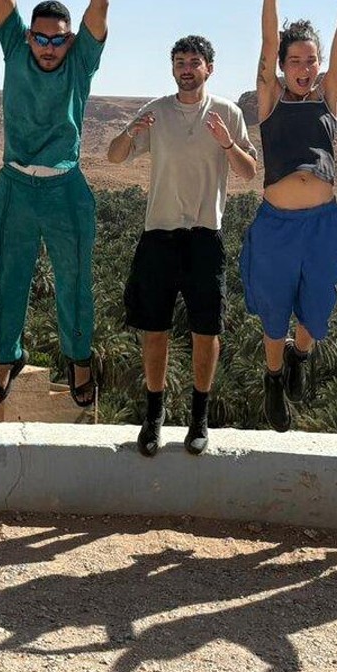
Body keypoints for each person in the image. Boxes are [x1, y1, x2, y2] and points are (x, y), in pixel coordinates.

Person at [241, 0, 337, 431]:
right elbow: (264, 40)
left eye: (310, 61)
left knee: (315, 310)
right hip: (277, 225)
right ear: (282, 68)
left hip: (323, 224)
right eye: (294, 61)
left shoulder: (329, 98)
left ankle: (300, 357)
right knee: (275, 309)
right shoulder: (269, 101)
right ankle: (274, 377)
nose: (304, 68)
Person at [0, 0, 108, 408]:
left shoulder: (81, 62)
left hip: (66, 189)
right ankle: (7, 355)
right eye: (43, 37)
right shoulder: (14, 46)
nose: (50, 46)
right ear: (29, 35)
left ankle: (78, 358)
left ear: (71, 41)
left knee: (74, 281)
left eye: (59, 38)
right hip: (14, 183)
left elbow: (100, 4)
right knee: (9, 279)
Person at [107, 36, 257, 456]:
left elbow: (248, 173)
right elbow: (115, 156)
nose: (186, 68)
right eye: (179, 62)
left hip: (205, 238)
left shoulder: (229, 112)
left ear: (210, 67)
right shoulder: (155, 112)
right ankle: (153, 417)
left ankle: (198, 418)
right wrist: (130, 131)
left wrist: (228, 143)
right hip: (159, 235)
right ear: (172, 68)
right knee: (154, 330)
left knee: (206, 332)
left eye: (194, 62)